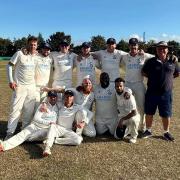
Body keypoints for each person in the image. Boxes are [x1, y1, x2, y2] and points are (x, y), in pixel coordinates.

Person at [141, 41, 180, 141]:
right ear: (156, 50)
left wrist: (167, 81)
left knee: (166, 113)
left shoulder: (173, 61)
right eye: (159, 48)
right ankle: (148, 130)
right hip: (152, 92)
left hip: (166, 94)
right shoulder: (150, 61)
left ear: (167, 50)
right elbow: (144, 72)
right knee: (149, 112)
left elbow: (176, 74)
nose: (162, 50)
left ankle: (166, 132)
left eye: (164, 48)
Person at [6, 36, 39, 139]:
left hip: (31, 87)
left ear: (37, 45)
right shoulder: (19, 53)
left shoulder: (37, 56)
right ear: (27, 44)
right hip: (20, 87)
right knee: (15, 110)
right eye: (31, 44)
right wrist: (11, 81)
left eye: (34, 45)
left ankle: (23, 132)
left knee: (28, 111)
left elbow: (48, 54)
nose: (33, 46)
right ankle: (10, 133)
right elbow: (9, 66)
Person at [120, 38, 154, 132]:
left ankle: (142, 126)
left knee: (141, 106)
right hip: (128, 84)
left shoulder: (143, 55)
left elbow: (156, 57)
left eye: (135, 45)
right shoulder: (125, 57)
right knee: (126, 105)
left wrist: (172, 57)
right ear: (129, 46)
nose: (133, 47)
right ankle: (126, 125)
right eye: (131, 45)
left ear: (138, 46)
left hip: (139, 84)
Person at [43, 90, 86, 156]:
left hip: (68, 130)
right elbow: (49, 98)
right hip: (58, 128)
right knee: (52, 125)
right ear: (64, 98)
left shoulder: (77, 106)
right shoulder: (60, 104)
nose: (68, 98)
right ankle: (47, 148)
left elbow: (85, 112)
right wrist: (44, 103)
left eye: (70, 96)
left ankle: (56, 140)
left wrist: (83, 122)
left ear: (73, 98)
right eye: (66, 96)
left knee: (78, 140)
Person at [114, 77, 140, 143]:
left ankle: (134, 137)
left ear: (123, 86)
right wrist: (121, 119)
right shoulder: (116, 93)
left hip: (132, 115)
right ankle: (128, 129)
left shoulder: (128, 95)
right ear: (115, 86)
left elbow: (134, 112)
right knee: (117, 136)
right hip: (122, 116)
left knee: (133, 120)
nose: (119, 88)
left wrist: (122, 119)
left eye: (120, 86)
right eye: (117, 86)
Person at [34, 43, 53, 111]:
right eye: (44, 49)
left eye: (48, 49)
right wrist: (23, 49)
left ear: (50, 51)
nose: (46, 51)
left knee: (42, 106)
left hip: (45, 87)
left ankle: (38, 121)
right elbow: (29, 52)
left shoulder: (50, 59)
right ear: (41, 49)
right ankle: (31, 121)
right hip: (35, 87)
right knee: (35, 106)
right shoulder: (36, 56)